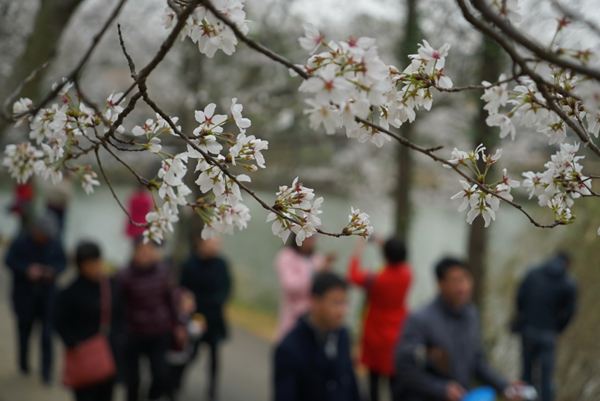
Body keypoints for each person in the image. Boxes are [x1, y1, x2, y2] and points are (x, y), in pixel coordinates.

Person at [395, 257, 523, 401]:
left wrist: (504, 386)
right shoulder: (420, 320)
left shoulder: (471, 315)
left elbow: (477, 362)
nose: (463, 287)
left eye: (466, 279)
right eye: (455, 281)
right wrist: (441, 388)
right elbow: (404, 367)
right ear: (440, 283)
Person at [274, 272, 362, 401]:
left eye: (345, 303)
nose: (342, 311)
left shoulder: (342, 335)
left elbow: (350, 383)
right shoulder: (290, 348)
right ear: (315, 301)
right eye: (336, 303)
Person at [54, 241, 125, 401]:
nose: (94, 267)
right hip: (83, 355)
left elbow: (120, 314)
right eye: (89, 264)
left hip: (107, 354)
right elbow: (59, 321)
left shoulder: (109, 286)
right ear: (80, 266)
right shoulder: (70, 292)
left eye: (96, 262)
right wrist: (73, 343)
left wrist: (119, 338)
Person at [4, 212, 66, 384]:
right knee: (24, 332)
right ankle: (23, 364)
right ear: (35, 230)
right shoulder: (21, 241)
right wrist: (27, 269)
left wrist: (52, 271)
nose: (45, 238)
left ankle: (46, 373)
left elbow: (62, 263)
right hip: (24, 296)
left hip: (48, 296)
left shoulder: (55, 242)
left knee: (47, 335)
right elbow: (8, 260)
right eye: (42, 234)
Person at [347, 237, 412, 401]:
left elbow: (352, 275)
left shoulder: (376, 279)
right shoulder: (407, 275)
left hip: (375, 332)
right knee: (395, 380)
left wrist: (358, 250)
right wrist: (383, 243)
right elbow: (398, 259)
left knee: (374, 380)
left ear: (386, 255)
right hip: (398, 331)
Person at [117, 238, 179, 401]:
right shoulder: (123, 276)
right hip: (133, 334)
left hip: (158, 332)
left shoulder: (163, 272)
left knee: (161, 376)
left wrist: (177, 324)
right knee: (132, 380)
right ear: (134, 252)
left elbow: (170, 300)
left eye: (149, 250)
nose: (146, 254)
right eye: (142, 250)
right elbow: (118, 307)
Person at [515, 252, 577, 401]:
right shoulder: (568, 283)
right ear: (567, 263)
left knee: (526, 374)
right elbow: (570, 312)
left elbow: (520, 297)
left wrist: (524, 317)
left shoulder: (533, 273)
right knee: (546, 378)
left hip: (528, 329)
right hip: (549, 334)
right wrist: (559, 329)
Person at [180, 237, 232, 401]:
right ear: (201, 242)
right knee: (191, 352)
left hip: (214, 317)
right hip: (197, 317)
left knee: (214, 355)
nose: (216, 246)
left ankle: (212, 390)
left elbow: (227, 286)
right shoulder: (190, 263)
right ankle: (177, 380)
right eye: (212, 242)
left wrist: (220, 301)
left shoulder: (221, 263)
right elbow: (183, 289)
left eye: (218, 243)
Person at [274, 235, 334, 341]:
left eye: (313, 238)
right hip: (293, 315)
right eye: (307, 237)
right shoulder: (286, 256)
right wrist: (315, 275)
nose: (310, 241)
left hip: (313, 318)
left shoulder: (316, 258)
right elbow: (290, 286)